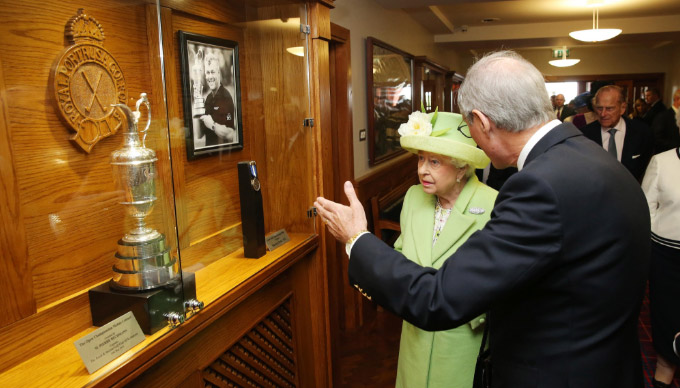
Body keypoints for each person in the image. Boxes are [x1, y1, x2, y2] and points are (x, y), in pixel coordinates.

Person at [314, 50, 650, 387]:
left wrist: (356, 237)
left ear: (483, 122)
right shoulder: (601, 162)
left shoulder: (538, 187)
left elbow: (436, 299)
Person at [393, 110, 497, 388]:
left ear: (462, 167)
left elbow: (504, 278)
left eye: (434, 162)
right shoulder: (414, 197)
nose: (422, 170)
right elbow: (402, 253)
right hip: (415, 335)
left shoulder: (493, 205)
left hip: (462, 339)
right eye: (421, 159)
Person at [641, 144, 680, 388]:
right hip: (667, 259)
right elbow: (647, 211)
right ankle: (663, 375)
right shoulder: (662, 162)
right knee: (668, 321)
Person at [581, 85, 653, 182]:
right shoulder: (584, 135)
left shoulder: (642, 132)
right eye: (599, 108)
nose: (603, 114)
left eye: (609, 109)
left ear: (622, 108)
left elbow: (646, 170)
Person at [199, 53, 236, 146]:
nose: (210, 76)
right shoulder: (208, 98)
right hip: (209, 156)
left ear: (218, 73)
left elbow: (230, 134)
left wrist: (212, 125)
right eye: (208, 72)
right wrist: (197, 111)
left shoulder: (226, 97)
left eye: (213, 72)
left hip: (223, 156)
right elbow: (199, 135)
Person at [650, 89, 680, 154]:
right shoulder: (663, 116)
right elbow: (657, 139)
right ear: (677, 99)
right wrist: (677, 146)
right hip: (667, 156)